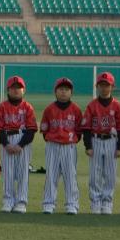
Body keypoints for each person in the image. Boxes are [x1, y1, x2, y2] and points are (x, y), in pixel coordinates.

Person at [81, 71, 120, 215]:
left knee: (110, 174)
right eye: (101, 85)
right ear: (97, 87)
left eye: (107, 85)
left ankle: (107, 202)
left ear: (112, 86)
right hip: (95, 140)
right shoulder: (91, 106)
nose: (104, 88)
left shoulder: (117, 106)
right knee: (95, 174)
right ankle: (95, 202)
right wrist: (88, 146)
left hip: (112, 141)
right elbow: (86, 128)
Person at [40, 77, 83, 215]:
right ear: (56, 91)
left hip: (69, 146)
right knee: (51, 175)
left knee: (70, 176)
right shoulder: (49, 109)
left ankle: (72, 204)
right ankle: (48, 203)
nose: (64, 92)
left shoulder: (76, 109)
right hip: (52, 145)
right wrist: (50, 139)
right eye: (61, 89)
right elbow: (44, 130)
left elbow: (79, 130)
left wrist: (72, 140)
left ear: (71, 92)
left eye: (66, 89)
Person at [0, 75, 36, 213]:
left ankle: (21, 202)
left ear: (23, 90)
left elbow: (31, 130)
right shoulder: (1, 107)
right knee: (8, 173)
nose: (16, 90)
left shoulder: (28, 107)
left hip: (22, 139)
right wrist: (6, 144)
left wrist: (20, 145)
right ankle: (8, 201)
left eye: (19, 87)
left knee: (23, 172)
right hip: (6, 138)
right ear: (8, 90)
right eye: (13, 88)